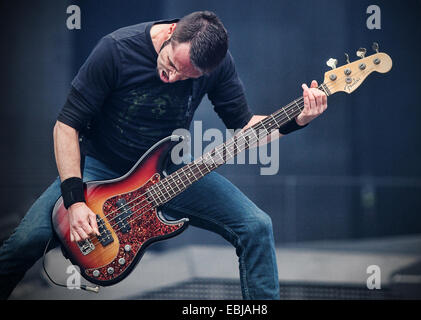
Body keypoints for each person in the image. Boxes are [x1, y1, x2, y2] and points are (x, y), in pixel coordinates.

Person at [0, 10, 327, 300]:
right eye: (171, 65)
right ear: (171, 33)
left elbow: (245, 128)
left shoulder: (218, 66)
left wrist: (298, 119)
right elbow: (65, 126)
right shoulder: (116, 50)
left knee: (256, 225)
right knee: (24, 242)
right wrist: (74, 200)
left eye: (187, 76)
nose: (172, 77)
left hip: (167, 172)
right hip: (100, 168)